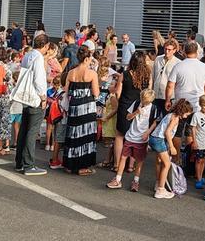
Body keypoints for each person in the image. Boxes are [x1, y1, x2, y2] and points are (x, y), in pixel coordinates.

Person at [107, 88, 159, 191]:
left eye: (146, 101)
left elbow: (155, 122)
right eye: (143, 100)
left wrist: (147, 133)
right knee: (123, 157)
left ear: (151, 101)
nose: (144, 102)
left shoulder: (153, 108)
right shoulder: (136, 103)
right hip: (130, 135)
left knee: (139, 161)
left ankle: (136, 181)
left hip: (142, 138)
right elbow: (127, 117)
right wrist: (136, 112)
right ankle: (117, 179)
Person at [15, 34, 50, 176]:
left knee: (24, 129)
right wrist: (43, 98)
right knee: (32, 131)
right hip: (35, 97)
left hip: (25, 96)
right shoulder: (38, 58)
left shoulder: (27, 55)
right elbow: (39, 79)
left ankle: (19, 162)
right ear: (46, 46)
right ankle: (29, 164)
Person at [63, 45, 99, 176]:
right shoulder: (92, 74)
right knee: (85, 135)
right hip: (87, 107)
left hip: (74, 106)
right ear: (87, 58)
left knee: (73, 134)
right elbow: (96, 92)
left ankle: (70, 164)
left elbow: (66, 92)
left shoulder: (71, 72)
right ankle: (82, 166)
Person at [115, 51, 152, 173]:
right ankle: (131, 165)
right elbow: (149, 93)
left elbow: (117, 93)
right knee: (134, 137)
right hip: (139, 107)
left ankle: (117, 164)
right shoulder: (147, 76)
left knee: (120, 136)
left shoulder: (124, 74)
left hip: (125, 107)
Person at [150, 99, 193, 199]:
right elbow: (167, 132)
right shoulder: (175, 118)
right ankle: (161, 189)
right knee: (167, 164)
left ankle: (158, 183)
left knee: (159, 161)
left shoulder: (170, 114)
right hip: (159, 140)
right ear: (183, 111)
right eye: (187, 114)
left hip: (154, 137)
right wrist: (172, 146)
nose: (187, 116)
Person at [191, 94, 205, 189]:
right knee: (199, 160)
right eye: (204, 105)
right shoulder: (196, 115)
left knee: (204, 160)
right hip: (199, 141)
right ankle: (198, 178)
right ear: (200, 105)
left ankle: (201, 177)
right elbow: (193, 128)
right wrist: (194, 141)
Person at [151, 40, 179, 114]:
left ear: (174, 50)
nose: (167, 51)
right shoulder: (158, 59)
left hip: (169, 96)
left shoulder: (178, 63)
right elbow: (152, 76)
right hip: (155, 94)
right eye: (165, 49)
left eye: (169, 50)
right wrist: (150, 91)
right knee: (153, 119)